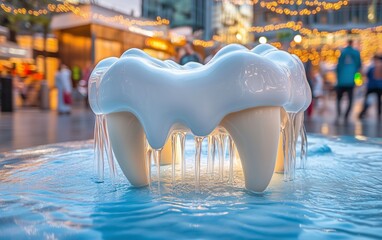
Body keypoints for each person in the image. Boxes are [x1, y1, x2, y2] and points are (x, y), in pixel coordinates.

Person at [335, 39, 362, 122]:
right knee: (350, 99)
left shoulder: (343, 52)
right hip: (351, 81)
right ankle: (346, 116)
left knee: (339, 99)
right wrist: (358, 80)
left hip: (341, 81)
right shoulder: (356, 53)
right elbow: (359, 68)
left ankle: (339, 114)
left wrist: (338, 78)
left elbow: (338, 67)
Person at [358, 55, 382, 120]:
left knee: (368, 100)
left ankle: (363, 112)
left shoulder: (372, 67)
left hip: (372, 86)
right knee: (378, 101)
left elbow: (367, 75)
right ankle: (378, 114)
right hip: (379, 86)